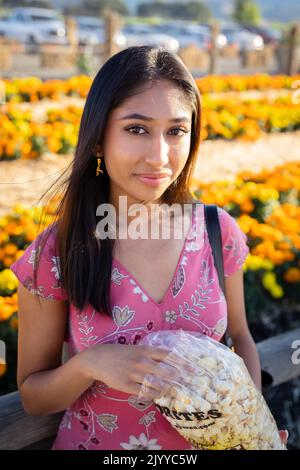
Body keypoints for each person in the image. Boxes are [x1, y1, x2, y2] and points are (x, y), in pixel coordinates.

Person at [10, 46, 288, 450]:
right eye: (137, 129)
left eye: (176, 131)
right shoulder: (57, 252)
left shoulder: (216, 231)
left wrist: (253, 426)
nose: (159, 156)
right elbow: (34, 396)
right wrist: (90, 365)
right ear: (99, 140)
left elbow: (241, 339)